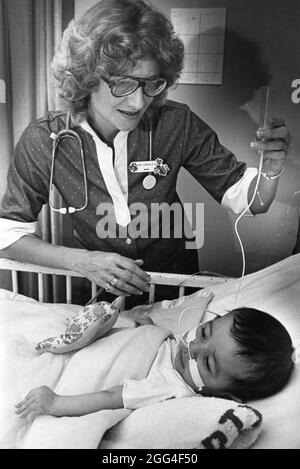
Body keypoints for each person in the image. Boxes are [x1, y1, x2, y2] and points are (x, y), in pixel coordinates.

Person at [0, 0, 292, 305]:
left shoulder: (175, 123)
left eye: (151, 84)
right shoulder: (47, 139)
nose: (139, 103)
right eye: (123, 83)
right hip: (97, 286)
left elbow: (251, 201)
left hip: (173, 286)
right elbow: (6, 236)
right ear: (87, 78)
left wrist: (272, 166)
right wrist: (82, 261)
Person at [15, 307, 294, 418]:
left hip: (82, 368)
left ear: (224, 395)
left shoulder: (171, 385)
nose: (194, 347)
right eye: (206, 331)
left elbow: (110, 397)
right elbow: (161, 343)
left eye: (208, 364)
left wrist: (55, 404)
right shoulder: (181, 352)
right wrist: (148, 328)